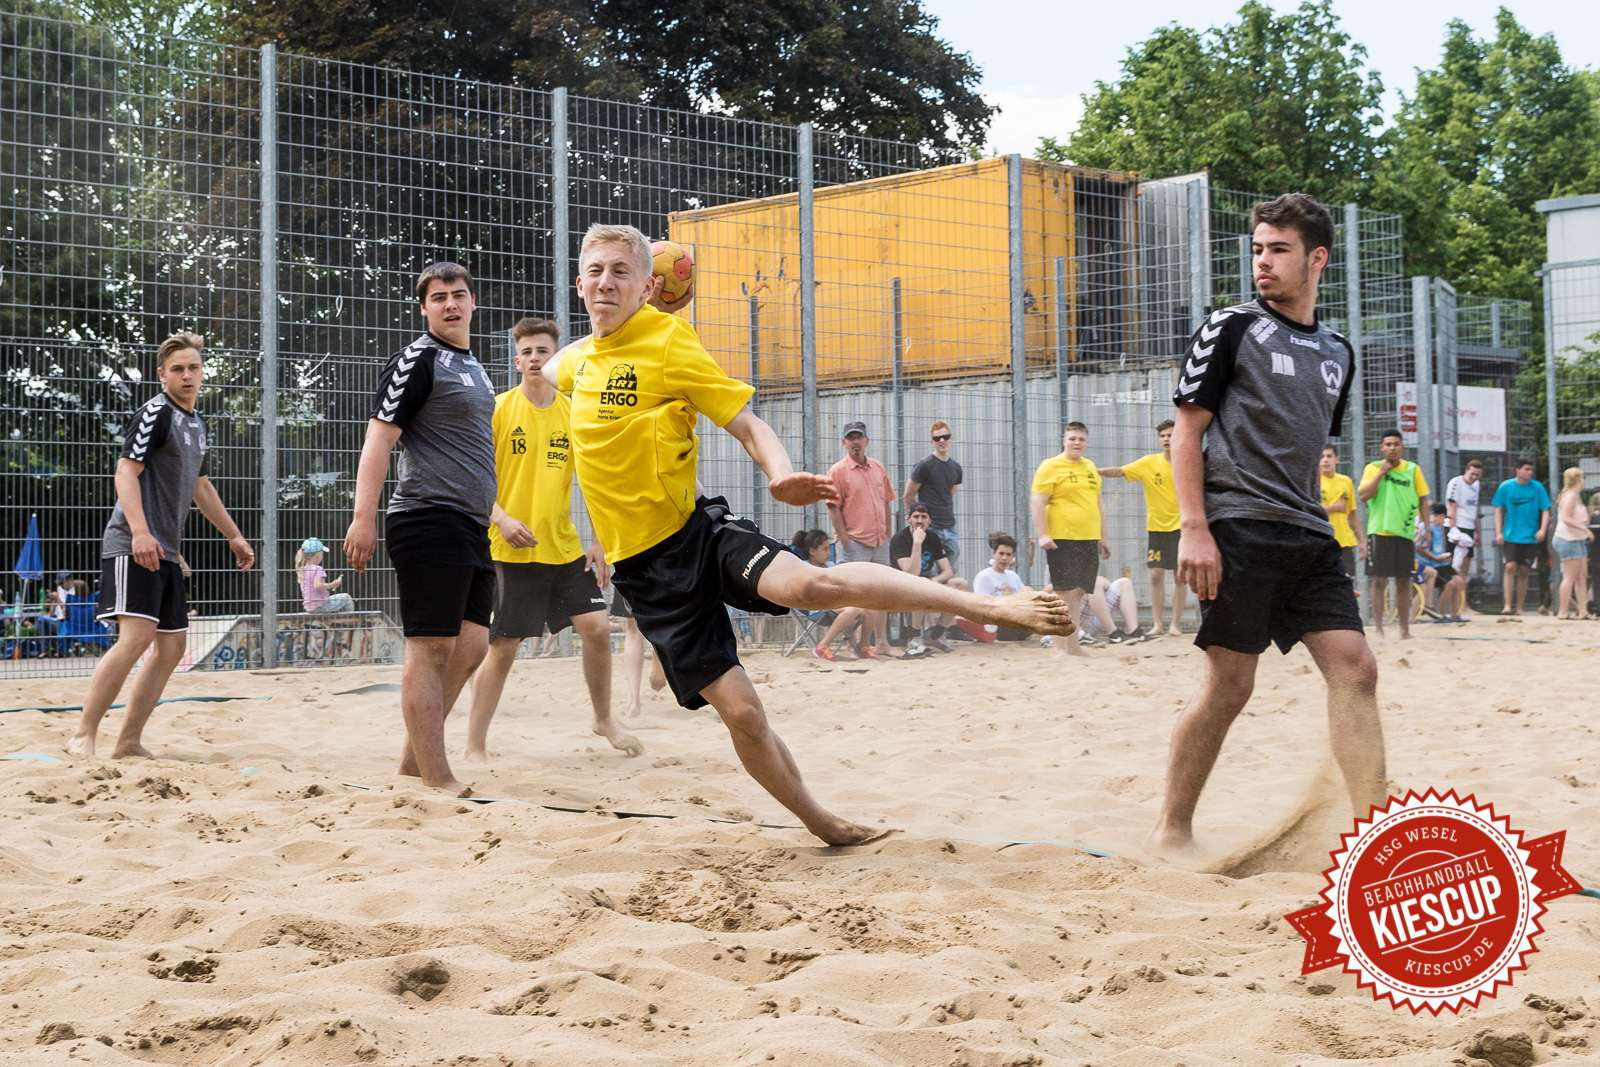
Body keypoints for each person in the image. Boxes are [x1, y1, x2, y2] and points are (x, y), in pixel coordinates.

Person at [540, 223, 1072, 846]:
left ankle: (988, 606)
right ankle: (823, 823)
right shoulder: (572, 363)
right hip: (645, 572)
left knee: (815, 585)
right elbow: (550, 370)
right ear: (579, 284)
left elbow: (748, 424)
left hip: (698, 532)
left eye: (621, 272)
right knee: (744, 714)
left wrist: (781, 474)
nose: (606, 282)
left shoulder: (668, 342)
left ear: (647, 287)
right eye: (596, 271)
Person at [1152, 192, 1382, 859]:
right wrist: (1194, 528)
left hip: (1309, 533)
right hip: (1239, 526)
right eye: (1257, 248)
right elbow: (1186, 434)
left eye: (1278, 249)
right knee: (1230, 685)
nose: (1263, 261)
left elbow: (1305, 442)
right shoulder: (1230, 327)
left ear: (1317, 259)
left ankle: (1375, 837)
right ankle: (1171, 831)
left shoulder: (1338, 351)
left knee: (1357, 669)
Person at [344, 262, 496, 794]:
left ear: (473, 302)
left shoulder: (474, 366)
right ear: (424, 308)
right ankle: (437, 777)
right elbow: (378, 439)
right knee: (431, 650)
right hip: (428, 517)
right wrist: (362, 518)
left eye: (458, 294)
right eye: (438, 297)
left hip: (472, 524)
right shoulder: (417, 359)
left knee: (472, 648)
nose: (450, 304)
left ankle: (413, 763)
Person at [465, 316, 641, 764]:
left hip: (563, 547)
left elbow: (595, 483)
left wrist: (599, 542)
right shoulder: (498, 410)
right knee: (504, 648)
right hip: (512, 549)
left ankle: (603, 718)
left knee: (597, 629)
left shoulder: (573, 412)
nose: (534, 358)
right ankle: (474, 745)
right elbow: (473, 481)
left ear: (555, 358)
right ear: (516, 360)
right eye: (526, 352)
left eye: (542, 351)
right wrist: (502, 519)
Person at [69, 333, 255, 757]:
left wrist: (234, 535)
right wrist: (139, 532)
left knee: (171, 648)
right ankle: (83, 734)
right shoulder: (156, 413)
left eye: (193, 367)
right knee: (135, 639)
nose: (187, 375)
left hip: (167, 550)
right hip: (132, 543)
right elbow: (125, 472)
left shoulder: (197, 423)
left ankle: (128, 742)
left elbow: (201, 487)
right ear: (162, 375)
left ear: (202, 372)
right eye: (178, 369)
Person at [1031, 421, 1109, 657]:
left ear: (1087, 442)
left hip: (1089, 539)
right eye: (1072, 438)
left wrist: (1104, 538)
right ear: (1064, 440)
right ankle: (1058, 647)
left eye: (1081, 439)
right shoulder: (1050, 466)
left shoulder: (1090, 467)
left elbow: (1099, 503)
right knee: (1063, 593)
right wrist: (1042, 535)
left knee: (1078, 592)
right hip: (1062, 539)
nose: (1077, 443)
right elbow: (1037, 500)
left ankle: (1073, 647)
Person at [1099, 420, 1185, 635]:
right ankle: (1157, 624)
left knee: (1180, 576)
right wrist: (1093, 470)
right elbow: (1120, 471)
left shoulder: (1187, 461)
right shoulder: (1149, 462)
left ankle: (1175, 625)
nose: (1166, 439)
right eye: (1163, 435)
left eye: (1170, 435)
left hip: (1182, 527)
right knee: (1156, 574)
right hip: (1157, 528)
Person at [825, 422, 895, 659]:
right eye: (851, 438)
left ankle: (882, 643)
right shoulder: (838, 471)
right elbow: (833, 507)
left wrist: (887, 534)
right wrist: (845, 540)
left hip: (880, 542)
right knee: (853, 595)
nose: (855, 442)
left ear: (867, 441)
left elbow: (887, 502)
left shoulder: (878, 467)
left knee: (883, 594)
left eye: (859, 437)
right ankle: (851, 645)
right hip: (854, 543)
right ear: (844, 443)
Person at [1358, 429, 1430, 639]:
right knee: (1378, 581)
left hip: (1404, 532)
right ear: (1382, 448)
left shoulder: (1413, 469)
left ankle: (1404, 630)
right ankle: (1379, 629)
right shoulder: (1372, 468)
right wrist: (1381, 473)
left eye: (1396, 444)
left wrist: (1427, 529)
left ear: (1402, 447)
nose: (1392, 448)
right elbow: (1363, 496)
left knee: (1404, 581)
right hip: (1379, 531)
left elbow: (1423, 499)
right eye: (1388, 444)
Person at [890, 501, 971, 655]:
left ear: (930, 520)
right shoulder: (900, 539)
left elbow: (947, 571)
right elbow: (911, 573)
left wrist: (936, 581)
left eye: (924, 517)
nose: (920, 520)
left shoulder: (933, 538)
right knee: (921, 583)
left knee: (960, 584)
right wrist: (917, 543)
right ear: (908, 518)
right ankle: (914, 637)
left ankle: (935, 636)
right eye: (916, 516)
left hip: (927, 586)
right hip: (900, 588)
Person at [792, 529, 866, 660]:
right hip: (815, 607)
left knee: (870, 608)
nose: (829, 553)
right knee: (851, 610)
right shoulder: (804, 568)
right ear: (812, 551)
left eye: (828, 549)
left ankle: (863, 646)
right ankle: (823, 646)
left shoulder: (830, 565)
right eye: (825, 549)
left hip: (834, 604)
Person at [1491, 456, 1551, 616]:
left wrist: (1542, 530)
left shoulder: (1537, 487)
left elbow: (1546, 509)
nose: (1530, 472)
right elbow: (1498, 508)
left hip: (1530, 536)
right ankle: (1507, 605)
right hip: (1511, 535)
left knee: (1525, 570)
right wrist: (1498, 532)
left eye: (1531, 470)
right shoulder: (1506, 486)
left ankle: (1519, 607)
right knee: (1510, 566)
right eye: (1526, 469)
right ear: (1517, 470)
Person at [903, 421, 963, 565]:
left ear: (951, 438)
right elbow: (908, 495)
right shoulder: (924, 465)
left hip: (949, 525)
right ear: (932, 442)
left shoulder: (956, 467)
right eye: (937, 438)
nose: (942, 441)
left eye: (945, 437)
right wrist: (914, 519)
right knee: (928, 568)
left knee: (950, 568)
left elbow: (950, 492)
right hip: (930, 526)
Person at [971, 531, 1032, 641]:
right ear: (993, 553)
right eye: (1001, 553)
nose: (1004, 558)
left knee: (1029, 590)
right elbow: (983, 606)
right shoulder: (984, 576)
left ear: (1013, 557)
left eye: (1008, 555)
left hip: (1018, 622)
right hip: (996, 625)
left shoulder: (1013, 576)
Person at [1318, 444, 1365, 579]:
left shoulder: (1345, 481)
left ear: (1337, 459)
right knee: (1324, 583)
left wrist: (1362, 541)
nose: (1325, 460)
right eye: (1322, 457)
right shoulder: (1314, 482)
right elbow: (1310, 511)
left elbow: (1352, 514)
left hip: (1344, 542)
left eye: (1329, 456)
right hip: (1323, 541)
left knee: (1348, 583)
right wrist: (1335, 507)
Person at [1553, 467, 1593, 620]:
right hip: (1567, 539)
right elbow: (1566, 519)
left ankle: (1583, 611)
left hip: (1577, 540)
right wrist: (1585, 530)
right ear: (1578, 479)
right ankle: (1563, 611)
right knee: (1569, 576)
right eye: (1583, 477)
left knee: (1582, 576)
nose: (1584, 480)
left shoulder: (1576, 496)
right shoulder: (1569, 496)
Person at [1414, 503, 1463, 620]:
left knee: (1459, 581)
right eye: (1444, 518)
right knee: (1451, 584)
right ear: (1441, 516)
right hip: (1431, 564)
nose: (1444, 521)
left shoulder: (1437, 529)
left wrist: (1442, 557)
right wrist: (1435, 558)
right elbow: (1419, 547)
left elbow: (1435, 549)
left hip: (1441, 563)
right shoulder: (1425, 527)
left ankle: (1455, 614)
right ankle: (1440, 615)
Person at [1075, 575, 1150, 646]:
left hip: (1090, 620)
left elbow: (1103, 582)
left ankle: (1134, 632)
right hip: (1073, 628)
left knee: (1124, 583)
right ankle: (1113, 633)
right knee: (1093, 583)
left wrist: (1099, 582)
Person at [1444, 459, 1483, 580]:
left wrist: (1477, 532)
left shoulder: (1476, 485)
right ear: (1466, 470)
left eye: (1477, 475)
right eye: (1472, 474)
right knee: (1453, 565)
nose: (1474, 477)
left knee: (1465, 566)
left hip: (1469, 526)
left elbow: (1473, 509)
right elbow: (1452, 508)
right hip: (1457, 526)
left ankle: (1461, 591)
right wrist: (1452, 530)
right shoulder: (1456, 482)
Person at [296, 537, 353, 613]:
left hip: (309, 607)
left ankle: (333, 619)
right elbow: (318, 586)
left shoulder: (302, 570)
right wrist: (332, 584)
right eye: (322, 554)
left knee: (334, 602)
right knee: (346, 598)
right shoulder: (318, 569)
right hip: (321, 605)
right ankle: (350, 619)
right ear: (318, 555)